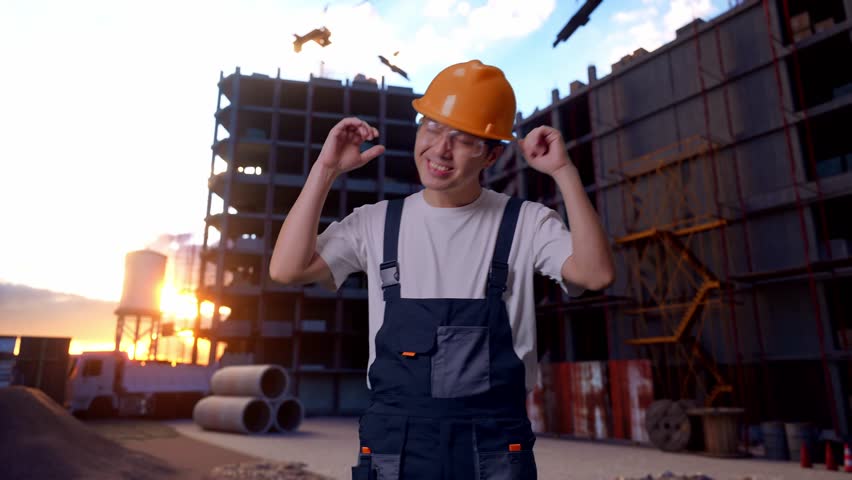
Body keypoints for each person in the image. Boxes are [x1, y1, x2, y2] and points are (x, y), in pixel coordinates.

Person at [270, 60, 615, 480]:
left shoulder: (525, 223)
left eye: (463, 138)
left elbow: (595, 275)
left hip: (492, 447)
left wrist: (563, 172)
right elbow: (287, 270)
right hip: (395, 444)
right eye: (432, 128)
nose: (440, 149)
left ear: (491, 153)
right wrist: (325, 170)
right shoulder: (377, 223)